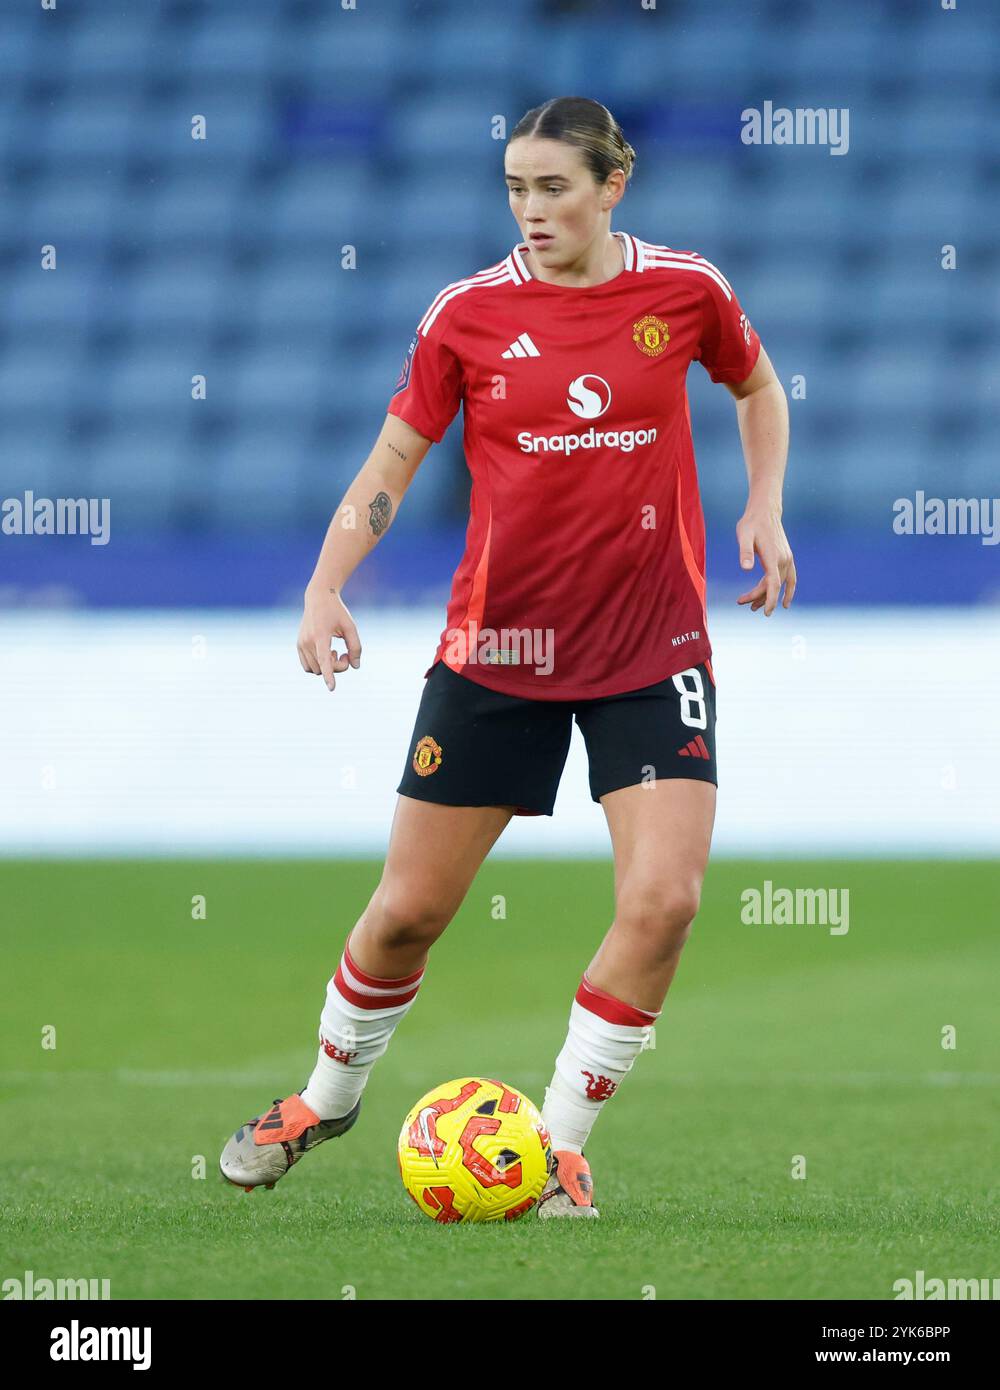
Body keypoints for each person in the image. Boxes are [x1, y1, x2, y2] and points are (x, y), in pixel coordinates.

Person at [220, 95, 795, 1218]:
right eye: (515, 190)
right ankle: (322, 1098)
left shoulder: (685, 290)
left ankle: (561, 1143)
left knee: (664, 902)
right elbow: (396, 455)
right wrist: (326, 582)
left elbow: (757, 386)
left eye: (553, 188)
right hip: (498, 650)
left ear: (609, 188)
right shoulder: (468, 316)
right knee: (403, 915)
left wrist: (764, 505)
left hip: (649, 643)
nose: (530, 211)